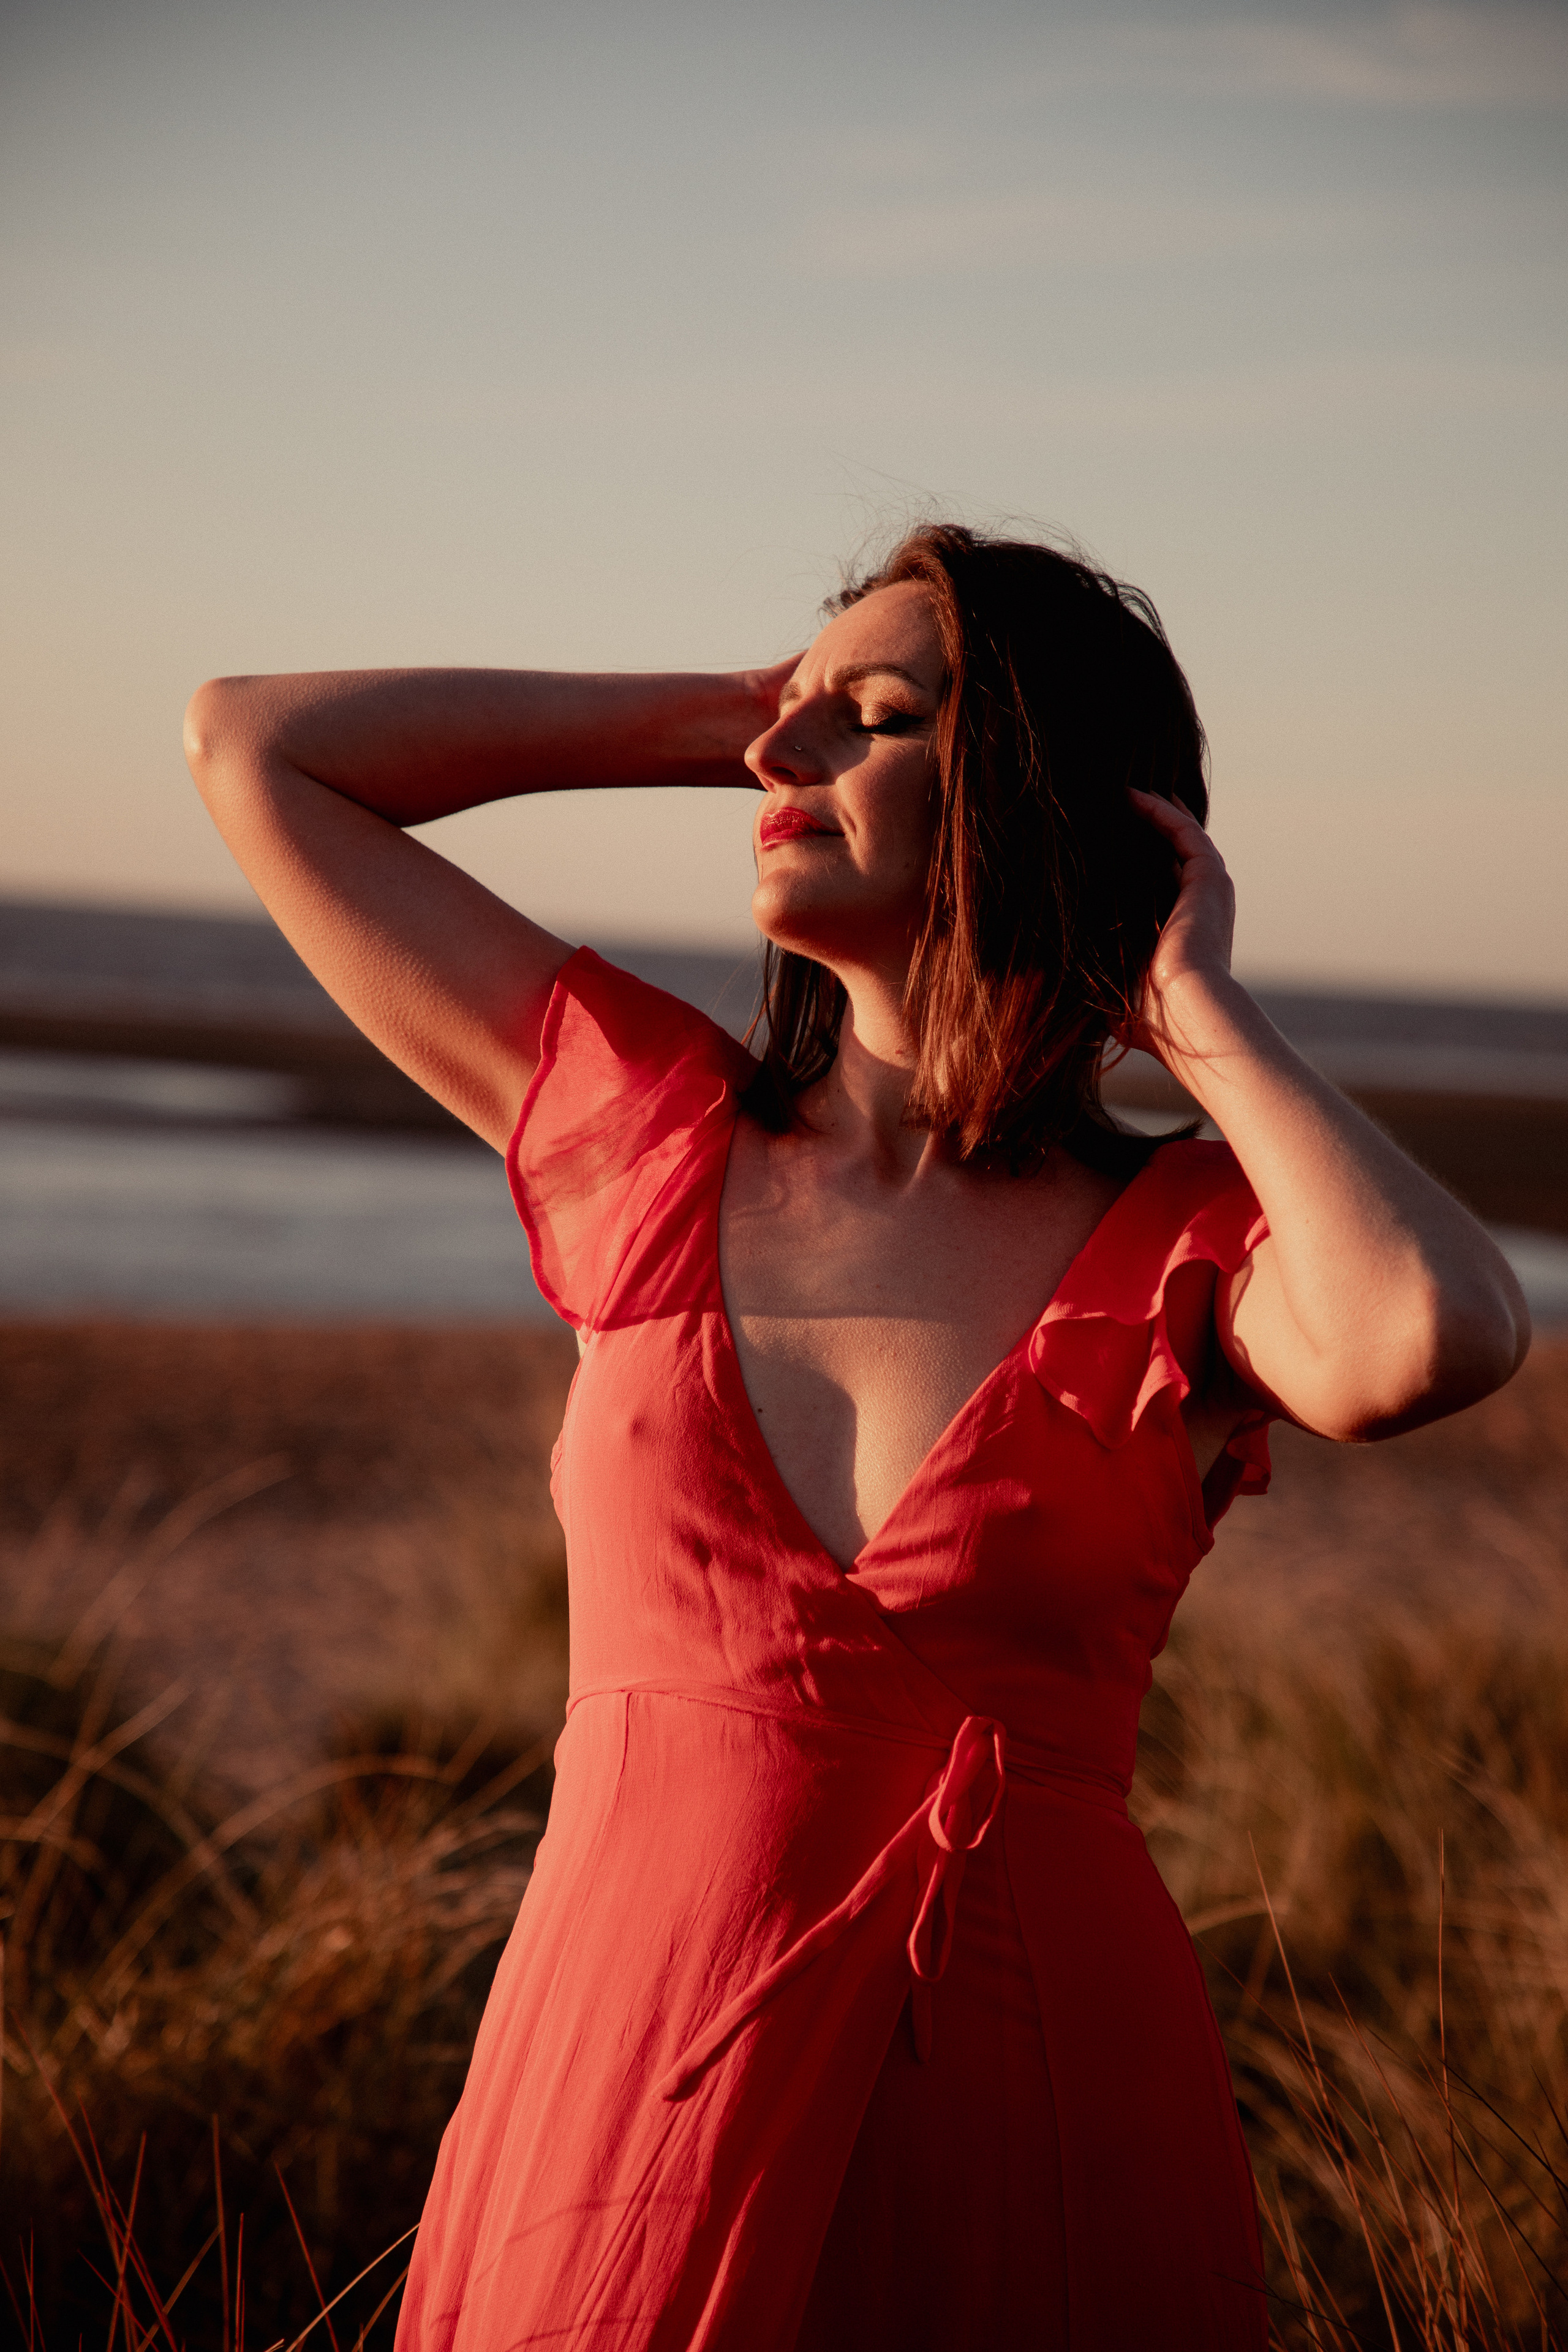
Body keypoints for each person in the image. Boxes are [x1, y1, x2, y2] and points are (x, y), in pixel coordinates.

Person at [186, 522, 1529, 2351]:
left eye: (878, 717)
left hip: (1031, 2086)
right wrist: (749, 714)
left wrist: (1197, 1016)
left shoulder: (1192, 1244)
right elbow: (256, 746)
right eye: (789, 719)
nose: (782, 757)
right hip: (631, 2061)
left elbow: (1433, 1332)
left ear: (1031, 791)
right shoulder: (644, 1140)